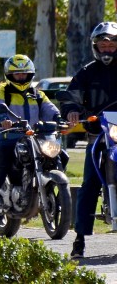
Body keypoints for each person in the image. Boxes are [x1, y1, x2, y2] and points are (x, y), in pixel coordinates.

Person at [0, 54, 62, 236]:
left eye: (24, 74)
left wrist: (58, 118)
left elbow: (49, 108)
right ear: (10, 75)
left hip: (33, 138)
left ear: (30, 74)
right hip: (7, 137)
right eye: (17, 74)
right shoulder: (4, 91)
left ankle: (53, 191)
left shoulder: (36, 93)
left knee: (60, 155)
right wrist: (3, 119)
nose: (21, 77)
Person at [61, 22, 117, 259]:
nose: (107, 49)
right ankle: (79, 239)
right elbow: (71, 97)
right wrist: (72, 110)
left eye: (111, 44)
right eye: (103, 45)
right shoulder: (86, 73)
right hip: (98, 136)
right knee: (89, 185)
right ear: (95, 47)